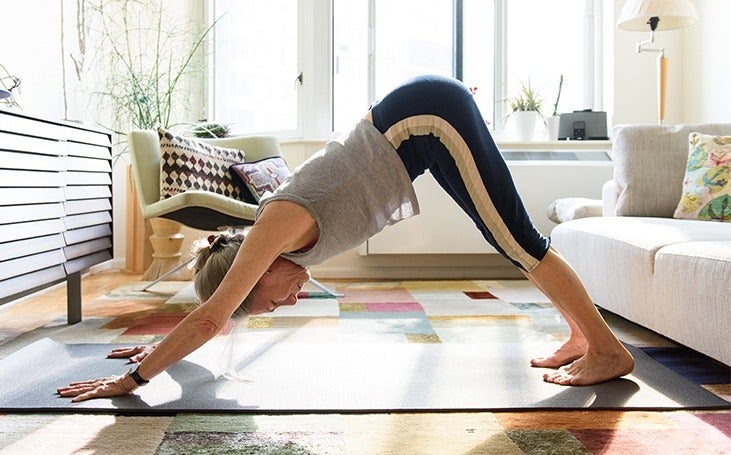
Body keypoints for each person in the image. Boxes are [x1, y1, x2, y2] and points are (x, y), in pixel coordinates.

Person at [57, 75, 634, 402]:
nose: (290, 300)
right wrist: (157, 351)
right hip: (422, 132)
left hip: (426, 119)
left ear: (254, 272)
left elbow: (211, 316)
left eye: (271, 298)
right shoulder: (272, 245)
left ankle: (607, 348)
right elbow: (219, 319)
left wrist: (132, 379)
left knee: (518, 242)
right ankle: (584, 336)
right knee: (509, 239)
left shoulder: (272, 227)